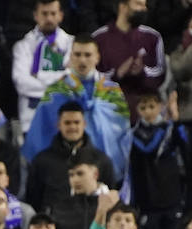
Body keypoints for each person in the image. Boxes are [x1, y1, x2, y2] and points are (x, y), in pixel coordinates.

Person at [22, 36, 130, 181]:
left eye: (87, 55)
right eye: (78, 54)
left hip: (104, 169)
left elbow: (122, 135)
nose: (82, 60)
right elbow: (40, 133)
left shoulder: (113, 92)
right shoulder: (55, 91)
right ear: (71, 57)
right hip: (62, 173)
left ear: (97, 57)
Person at [24, 102, 119, 216]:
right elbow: (33, 199)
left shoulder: (101, 160)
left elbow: (112, 196)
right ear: (58, 125)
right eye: (67, 123)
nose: (72, 127)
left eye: (76, 122)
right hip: (55, 226)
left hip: (93, 226)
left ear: (84, 124)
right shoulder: (41, 160)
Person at [128, 92, 187, 229]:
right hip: (148, 203)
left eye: (152, 106)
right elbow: (145, 152)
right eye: (143, 108)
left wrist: (175, 120)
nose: (148, 112)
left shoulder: (172, 129)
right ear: (137, 110)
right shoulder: (135, 135)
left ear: (160, 107)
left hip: (172, 200)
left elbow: (186, 148)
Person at [12, 0, 74, 136]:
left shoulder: (72, 44)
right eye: (44, 14)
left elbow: (71, 81)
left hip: (64, 119)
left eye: (53, 13)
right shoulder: (22, 46)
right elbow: (22, 83)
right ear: (36, 16)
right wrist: (59, 82)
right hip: (32, 120)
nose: (49, 18)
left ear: (61, 16)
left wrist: (37, 75)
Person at [93, 0, 166, 115]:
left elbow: (160, 74)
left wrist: (142, 71)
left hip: (145, 109)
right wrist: (118, 74)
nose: (144, 9)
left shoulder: (152, 37)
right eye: (138, 4)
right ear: (123, 7)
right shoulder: (99, 38)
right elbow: (93, 76)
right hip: (109, 108)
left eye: (144, 4)